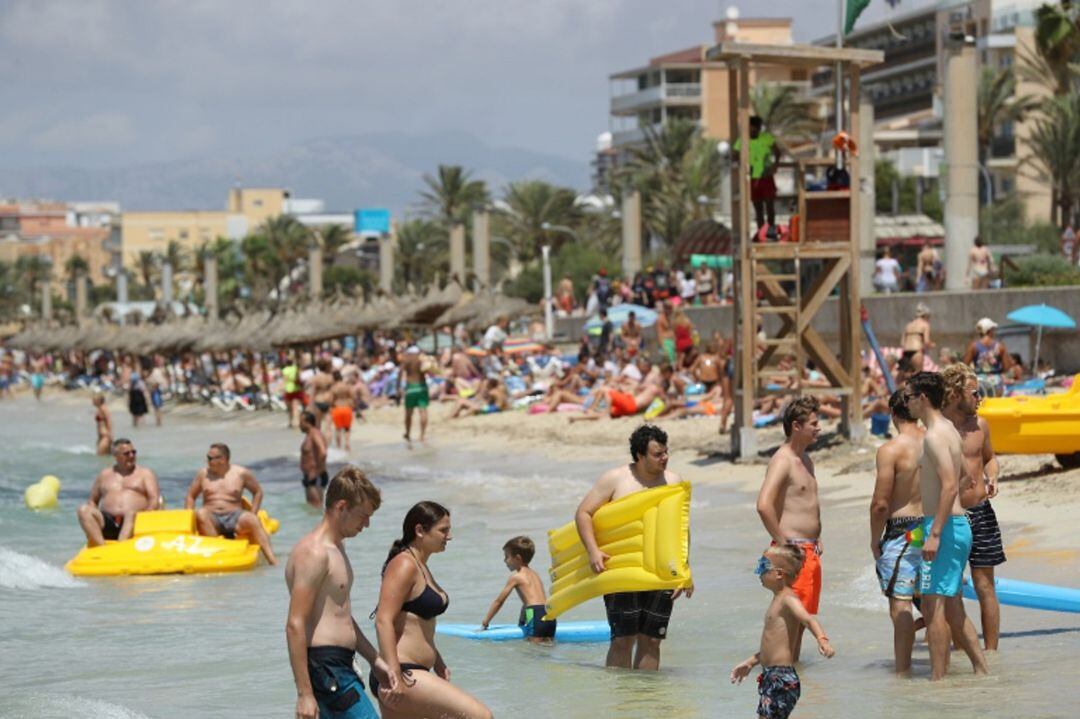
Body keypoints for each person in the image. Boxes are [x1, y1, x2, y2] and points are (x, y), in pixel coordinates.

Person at [574, 425, 691, 669]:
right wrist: (593, 551)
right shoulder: (616, 479)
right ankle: (621, 701)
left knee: (652, 639)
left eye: (666, 452)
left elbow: (682, 529)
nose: (665, 458)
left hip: (660, 570)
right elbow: (583, 512)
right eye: (657, 454)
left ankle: (646, 700)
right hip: (622, 568)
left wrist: (684, 570)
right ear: (640, 455)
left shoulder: (674, 481)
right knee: (622, 639)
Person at [286, 466, 391, 719]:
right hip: (327, 668)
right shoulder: (314, 552)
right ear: (341, 507)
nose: (367, 524)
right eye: (363, 516)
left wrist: (374, 660)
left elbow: (341, 615)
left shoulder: (337, 548)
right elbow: (295, 624)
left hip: (339, 664)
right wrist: (305, 694)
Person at [373, 502, 492, 719]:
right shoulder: (404, 564)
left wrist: (437, 661)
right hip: (402, 672)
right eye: (443, 530)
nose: (449, 536)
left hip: (412, 672)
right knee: (481, 716)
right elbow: (383, 620)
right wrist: (394, 675)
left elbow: (415, 624)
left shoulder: (420, 565)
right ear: (420, 530)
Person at [906, 371, 989, 681]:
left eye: (909, 397)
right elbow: (967, 475)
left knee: (933, 606)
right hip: (954, 525)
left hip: (942, 527)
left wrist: (935, 534)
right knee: (952, 607)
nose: (907, 403)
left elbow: (952, 486)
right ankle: (982, 671)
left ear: (923, 398)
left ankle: (937, 681)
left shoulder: (934, 435)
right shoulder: (950, 431)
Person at [731, 544, 835, 719]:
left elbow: (807, 618)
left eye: (764, 566)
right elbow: (772, 645)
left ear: (779, 574)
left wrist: (822, 639)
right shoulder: (777, 600)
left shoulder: (788, 598)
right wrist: (750, 662)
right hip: (772, 676)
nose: (759, 571)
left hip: (780, 678)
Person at [942, 363, 1005, 651]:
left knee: (984, 586)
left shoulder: (981, 425)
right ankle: (959, 651)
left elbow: (990, 457)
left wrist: (992, 475)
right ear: (955, 394)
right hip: (949, 515)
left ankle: (991, 653)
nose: (980, 398)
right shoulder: (938, 430)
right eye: (975, 392)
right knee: (949, 588)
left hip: (981, 513)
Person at [756, 397, 823, 661]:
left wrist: (819, 536)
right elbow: (763, 505)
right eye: (814, 424)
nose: (819, 429)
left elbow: (808, 504)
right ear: (796, 426)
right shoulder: (783, 460)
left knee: (802, 622)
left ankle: (794, 677)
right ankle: (784, 677)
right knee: (790, 623)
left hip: (809, 550)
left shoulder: (806, 460)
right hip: (793, 551)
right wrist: (784, 545)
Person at [870, 388, 924, 675]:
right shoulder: (936, 441)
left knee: (901, 606)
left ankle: (903, 673)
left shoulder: (891, 450)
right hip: (934, 528)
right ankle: (945, 672)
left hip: (903, 532)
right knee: (936, 604)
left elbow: (880, 504)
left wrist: (874, 540)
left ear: (893, 414)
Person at [184, 443, 277, 565]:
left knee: (252, 520)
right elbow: (191, 496)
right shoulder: (203, 474)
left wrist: (253, 513)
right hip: (211, 518)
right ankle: (216, 554)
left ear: (222, 459)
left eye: (210, 458)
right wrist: (189, 520)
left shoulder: (241, 473)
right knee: (201, 513)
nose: (207, 461)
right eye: (208, 457)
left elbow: (257, 492)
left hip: (235, 516)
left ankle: (272, 561)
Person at [76, 438, 160, 546]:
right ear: (115, 456)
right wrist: (93, 523)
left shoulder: (145, 474)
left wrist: (147, 515)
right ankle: (102, 548)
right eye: (126, 453)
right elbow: (92, 501)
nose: (131, 456)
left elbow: (154, 499)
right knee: (83, 510)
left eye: (133, 452)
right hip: (108, 522)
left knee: (131, 513)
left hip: (135, 521)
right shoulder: (104, 475)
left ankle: (120, 547)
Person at [479, 536, 557, 643]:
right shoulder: (535, 575)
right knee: (547, 647)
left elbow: (499, 601)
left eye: (507, 557)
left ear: (518, 558)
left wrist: (486, 621)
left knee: (533, 651)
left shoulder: (516, 576)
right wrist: (522, 620)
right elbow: (531, 601)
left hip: (534, 614)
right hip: (550, 612)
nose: (504, 561)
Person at [735, 116, 782, 238]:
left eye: (756, 128)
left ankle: (771, 231)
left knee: (770, 206)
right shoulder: (743, 140)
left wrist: (775, 165)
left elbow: (777, 151)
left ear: (759, 128)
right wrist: (743, 164)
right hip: (752, 178)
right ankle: (761, 233)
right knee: (758, 208)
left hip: (766, 176)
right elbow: (735, 154)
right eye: (751, 128)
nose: (754, 131)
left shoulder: (766, 138)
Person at [963, 317, 1013, 397]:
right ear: (989, 330)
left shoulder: (973, 346)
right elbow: (1007, 367)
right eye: (993, 329)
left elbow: (964, 366)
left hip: (980, 382)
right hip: (996, 382)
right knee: (996, 406)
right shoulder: (1000, 346)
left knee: (980, 406)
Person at [299, 410, 329, 509]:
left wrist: (316, 472)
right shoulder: (309, 435)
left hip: (316, 477)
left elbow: (323, 452)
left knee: (316, 508)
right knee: (311, 509)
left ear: (307, 422)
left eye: (301, 422)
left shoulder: (314, 434)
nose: (299, 425)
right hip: (311, 477)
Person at [401, 346, 429, 446]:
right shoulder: (422, 359)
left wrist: (397, 389)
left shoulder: (406, 359)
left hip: (411, 387)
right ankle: (422, 435)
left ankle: (408, 434)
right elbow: (428, 370)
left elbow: (400, 373)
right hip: (422, 386)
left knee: (409, 413)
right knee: (423, 411)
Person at [900, 303, 933, 372]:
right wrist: (931, 345)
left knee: (902, 377)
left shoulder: (908, 325)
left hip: (906, 352)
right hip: (917, 351)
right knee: (918, 375)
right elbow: (926, 342)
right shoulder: (925, 325)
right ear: (925, 315)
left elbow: (902, 343)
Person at [330, 371, 355, 452]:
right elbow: (352, 397)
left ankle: (338, 447)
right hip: (347, 408)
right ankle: (347, 444)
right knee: (347, 429)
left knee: (338, 429)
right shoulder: (346, 386)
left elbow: (331, 400)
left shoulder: (333, 387)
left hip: (337, 409)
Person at [282, 353, 306, 428]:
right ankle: (297, 422)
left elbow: (285, 380)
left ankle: (290, 421)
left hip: (288, 390)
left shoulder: (285, 370)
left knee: (289, 408)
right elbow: (299, 378)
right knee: (296, 407)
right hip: (297, 389)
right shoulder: (296, 368)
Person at [655, 301, 676, 366]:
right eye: (670, 309)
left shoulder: (668, 318)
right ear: (665, 308)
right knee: (669, 364)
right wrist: (663, 347)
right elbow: (659, 333)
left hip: (671, 343)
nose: (672, 311)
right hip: (666, 344)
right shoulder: (660, 319)